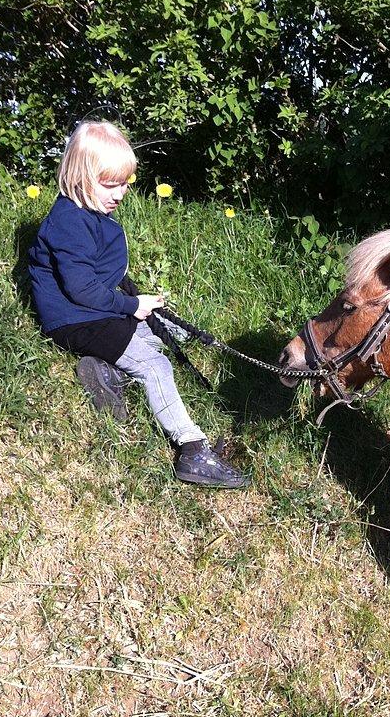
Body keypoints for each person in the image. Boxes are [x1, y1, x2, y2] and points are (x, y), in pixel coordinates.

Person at [28, 120, 250, 488]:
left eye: (124, 184)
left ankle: (108, 371)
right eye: (109, 184)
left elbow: (101, 274)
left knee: (169, 328)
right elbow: (82, 290)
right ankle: (192, 448)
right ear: (78, 176)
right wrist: (130, 306)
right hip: (76, 319)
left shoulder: (94, 214)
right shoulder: (69, 222)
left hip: (94, 310)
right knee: (154, 363)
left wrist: (133, 299)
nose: (119, 193)